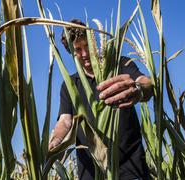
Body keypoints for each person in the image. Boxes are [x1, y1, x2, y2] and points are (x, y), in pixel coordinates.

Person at [48, 19, 153, 179]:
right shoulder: (69, 85)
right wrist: (55, 141)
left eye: (87, 45)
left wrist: (138, 90)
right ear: (71, 52)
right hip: (91, 173)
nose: (84, 54)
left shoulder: (120, 65)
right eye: (78, 49)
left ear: (94, 42)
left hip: (131, 170)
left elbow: (146, 83)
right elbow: (65, 121)